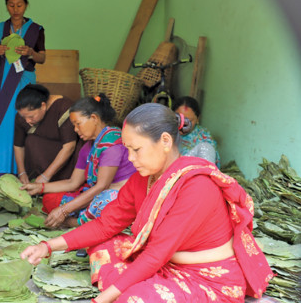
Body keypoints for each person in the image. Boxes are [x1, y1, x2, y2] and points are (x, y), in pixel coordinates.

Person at [21, 103, 273, 302]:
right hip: (165, 262)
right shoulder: (144, 179)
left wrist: (103, 299)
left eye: (136, 150)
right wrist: (47, 246)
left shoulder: (197, 186)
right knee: (104, 244)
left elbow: (155, 254)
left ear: (165, 141)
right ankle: (134, 285)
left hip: (208, 278)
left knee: (133, 298)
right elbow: (105, 225)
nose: (130, 159)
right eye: (127, 149)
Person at [21, 94, 136, 228]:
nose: (75, 130)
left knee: (105, 201)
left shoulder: (111, 144)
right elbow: (73, 182)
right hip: (98, 193)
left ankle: (74, 223)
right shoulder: (87, 147)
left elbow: (102, 186)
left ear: (94, 118)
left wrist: (64, 211)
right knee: (49, 199)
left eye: (78, 124)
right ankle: (85, 218)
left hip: (120, 195)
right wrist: (39, 188)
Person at [0, 0, 46, 181]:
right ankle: (0, 175)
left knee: (20, 124)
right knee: (2, 127)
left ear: (26, 5)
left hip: (23, 86)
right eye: (11, 5)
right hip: (2, 86)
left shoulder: (36, 30)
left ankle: (21, 174)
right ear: (6, 6)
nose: (15, 8)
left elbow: (42, 58)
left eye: (19, 5)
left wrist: (30, 53)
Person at [14, 84, 82, 185]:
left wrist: (46, 176)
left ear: (43, 106)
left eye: (31, 117)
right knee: (31, 140)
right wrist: (22, 173)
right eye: (24, 117)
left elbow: (69, 147)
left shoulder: (64, 107)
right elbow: (18, 146)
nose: (27, 121)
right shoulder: (23, 116)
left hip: (66, 159)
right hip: (42, 158)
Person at [173, 96, 221, 168]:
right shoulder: (165, 132)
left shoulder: (204, 139)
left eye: (188, 120)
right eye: (179, 119)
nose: (183, 124)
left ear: (197, 119)